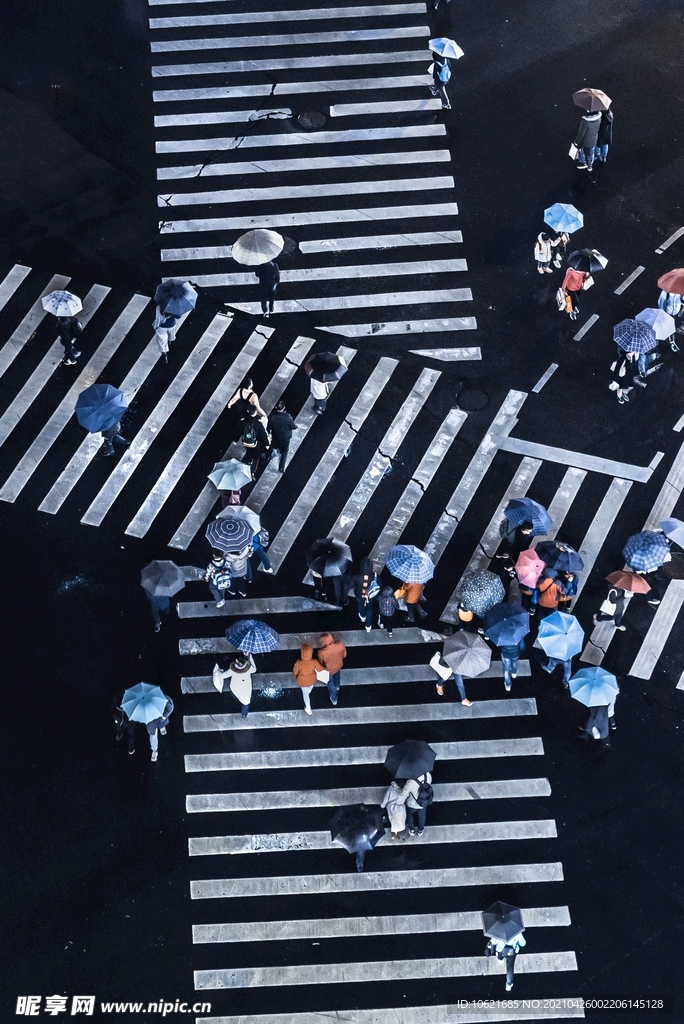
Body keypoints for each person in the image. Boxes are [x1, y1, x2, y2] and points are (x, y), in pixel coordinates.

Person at [213, 652, 256, 717]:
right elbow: (254, 669)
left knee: (235, 696)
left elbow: (223, 676)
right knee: (245, 702)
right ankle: (244, 714)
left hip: (235, 688)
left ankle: (236, 702)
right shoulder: (249, 668)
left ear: (236, 661)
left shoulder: (232, 670)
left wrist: (218, 671)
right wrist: (250, 658)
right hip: (246, 689)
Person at [292, 642, 324, 715]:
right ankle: (309, 690)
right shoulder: (314, 662)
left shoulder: (298, 663)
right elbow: (320, 669)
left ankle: (308, 708)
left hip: (302, 682)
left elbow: (295, 672)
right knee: (309, 688)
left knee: (305, 695)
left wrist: (295, 677)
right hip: (312, 680)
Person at [237, 406, 270, 474]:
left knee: (248, 451)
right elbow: (263, 435)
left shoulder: (243, 422)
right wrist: (267, 444)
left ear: (248, 411)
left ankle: (249, 460)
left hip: (246, 443)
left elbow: (238, 431)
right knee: (256, 457)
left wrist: (235, 440)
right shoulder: (258, 424)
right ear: (255, 412)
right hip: (255, 444)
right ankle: (252, 470)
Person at [317, 632, 347, 705]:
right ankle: (337, 687)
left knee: (330, 683)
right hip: (339, 664)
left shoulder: (321, 652)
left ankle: (334, 698)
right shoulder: (339, 644)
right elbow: (344, 654)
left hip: (329, 670)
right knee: (337, 674)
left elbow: (321, 662)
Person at [268, 399, 297, 473]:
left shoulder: (272, 417)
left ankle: (270, 455)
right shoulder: (288, 417)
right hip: (285, 437)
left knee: (274, 446)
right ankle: (281, 468)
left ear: (276, 408)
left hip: (276, 435)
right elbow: (293, 426)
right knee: (285, 451)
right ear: (283, 408)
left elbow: (269, 428)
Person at [351, 557, 380, 632]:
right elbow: (380, 584)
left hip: (359, 595)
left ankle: (362, 616)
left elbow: (350, 586)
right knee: (369, 607)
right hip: (370, 596)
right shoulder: (375, 576)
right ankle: (368, 625)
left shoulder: (356, 576)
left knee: (360, 605)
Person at [401, 772, 433, 836]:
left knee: (410, 815)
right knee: (422, 816)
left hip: (411, 803)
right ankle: (420, 830)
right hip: (423, 802)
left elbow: (403, 794)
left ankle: (411, 829)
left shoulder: (410, 781)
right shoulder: (428, 775)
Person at [147, 691, 174, 762]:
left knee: (161, 724)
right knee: (153, 736)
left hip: (161, 718)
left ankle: (161, 727)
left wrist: (164, 717)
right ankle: (154, 751)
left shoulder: (164, 700)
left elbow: (170, 708)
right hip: (151, 721)